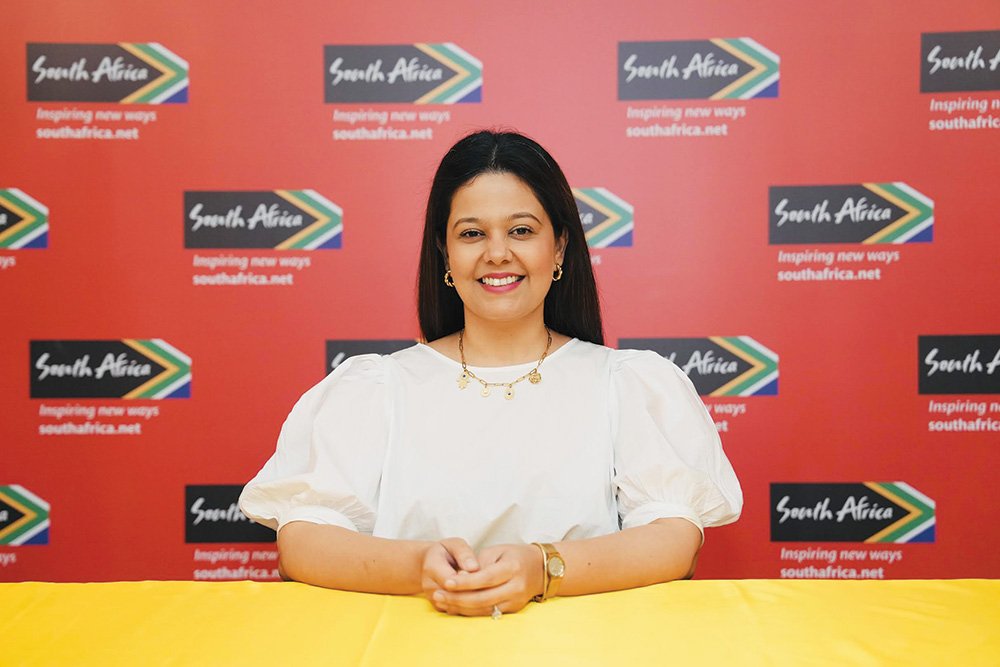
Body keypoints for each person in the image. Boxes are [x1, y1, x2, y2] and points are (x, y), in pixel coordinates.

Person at [239, 130, 742, 617]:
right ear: (445, 253)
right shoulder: (377, 388)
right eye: (472, 233)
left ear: (559, 247)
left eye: (521, 230)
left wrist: (544, 569)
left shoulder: (625, 383)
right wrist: (418, 567)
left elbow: (675, 539)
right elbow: (303, 540)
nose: (497, 253)